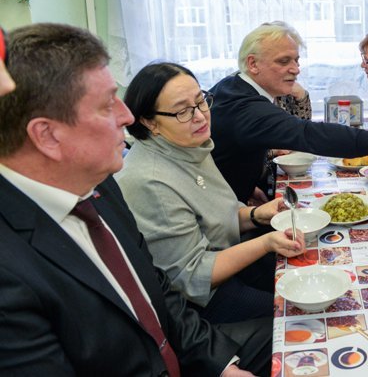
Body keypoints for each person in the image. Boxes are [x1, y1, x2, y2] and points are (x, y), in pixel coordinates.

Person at [0, 23, 270, 375]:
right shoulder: (10, 269)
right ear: (47, 135)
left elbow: (158, 293)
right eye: (105, 105)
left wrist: (222, 365)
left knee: (306, 336)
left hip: (185, 352)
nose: (126, 117)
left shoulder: (101, 188)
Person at [117, 62, 305, 325]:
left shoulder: (187, 144)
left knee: (306, 272)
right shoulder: (150, 180)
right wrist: (266, 242)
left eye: (201, 101)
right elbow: (191, 276)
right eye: (183, 111)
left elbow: (214, 218)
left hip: (232, 262)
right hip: (203, 302)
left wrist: (254, 215)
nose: (200, 116)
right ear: (150, 122)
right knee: (296, 315)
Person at [210, 23, 368, 202]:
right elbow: (308, 134)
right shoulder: (245, 106)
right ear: (252, 64)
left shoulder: (234, 87)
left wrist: (245, 185)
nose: (296, 69)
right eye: (284, 61)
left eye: (296, 60)